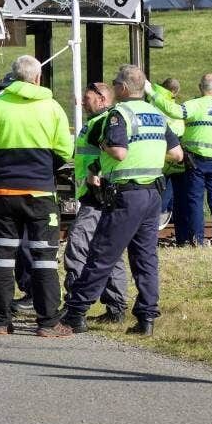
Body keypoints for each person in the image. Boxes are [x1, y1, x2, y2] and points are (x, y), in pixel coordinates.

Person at [62, 65, 183, 337]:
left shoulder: (119, 115)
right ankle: (146, 319)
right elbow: (177, 155)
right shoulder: (156, 115)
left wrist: (104, 145)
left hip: (126, 195)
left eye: (116, 83)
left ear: (124, 88)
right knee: (145, 258)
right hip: (153, 195)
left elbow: (118, 152)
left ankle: (75, 313)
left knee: (102, 253)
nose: (114, 87)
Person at [0, 55, 73, 336]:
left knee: (2, 256)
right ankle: (48, 323)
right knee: (44, 258)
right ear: (38, 78)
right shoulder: (52, 107)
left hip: (4, 192)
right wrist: (43, 169)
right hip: (40, 194)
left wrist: (2, 166)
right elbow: (65, 151)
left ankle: (1, 322)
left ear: (13, 77)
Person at [62, 81, 128, 324]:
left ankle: (75, 302)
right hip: (96, 194)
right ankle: (116, 307)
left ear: (102, 99)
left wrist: (95, 171)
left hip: (96, 196)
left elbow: (112, 151)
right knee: (109, 250)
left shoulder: (104, 121)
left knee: (78, 243)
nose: (82, 101)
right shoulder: (96, 122)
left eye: (87, 97)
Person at [148, 73, 212, 246]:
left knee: (195, 200)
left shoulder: (194, 104)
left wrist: (152, 94)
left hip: (195, 161)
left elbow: (172, 110)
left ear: (200, 87)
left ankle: (197, 238)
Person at [155, 78, 187, 233]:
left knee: (163, 190)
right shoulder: (171, 107)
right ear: (175, 92)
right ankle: (164, 217)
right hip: (174, 153)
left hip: (161, 155)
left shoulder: (155, 102)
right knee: (170, 192)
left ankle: (163, 216)